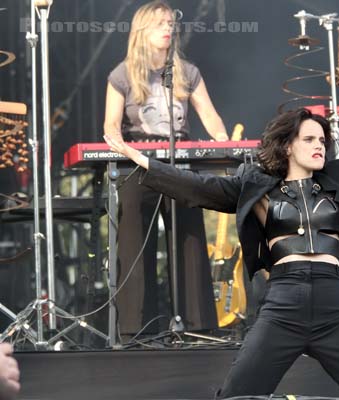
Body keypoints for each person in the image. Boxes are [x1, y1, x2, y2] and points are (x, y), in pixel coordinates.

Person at [104, 108, 339, 397]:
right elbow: (202, 188)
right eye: (309, 139)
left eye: (323, 140)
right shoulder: (257, 185)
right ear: (288, 146)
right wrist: (144, 161)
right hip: (284, 303)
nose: (319, 145)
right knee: (238, 393)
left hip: (333, 306)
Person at [103, 1, 228, 340]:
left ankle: (198, 325)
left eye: (170, 22)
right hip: (137, 164)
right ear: (142, 30)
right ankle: (134, 329)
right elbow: (111, 125)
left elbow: (211, 117)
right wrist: (120, 144)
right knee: (133, 241)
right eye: (159, 23)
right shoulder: (121, 74)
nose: (167, 28)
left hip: (179, 162)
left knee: (189, 236)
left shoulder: (187, 72)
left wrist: (223, 144)